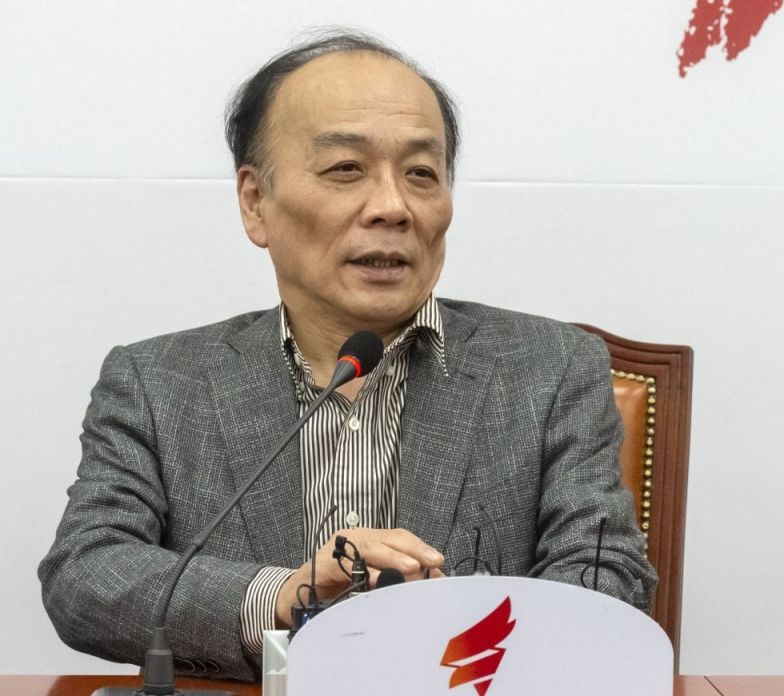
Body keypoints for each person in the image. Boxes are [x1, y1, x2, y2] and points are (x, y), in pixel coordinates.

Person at [38, 30, 656, 682]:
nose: (392, 207)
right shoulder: (159, 383)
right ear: (255, 202)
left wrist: (445, 646)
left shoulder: (551, 369)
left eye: (421, 173)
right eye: (345, 169)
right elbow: (85, 573)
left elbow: (608, 574)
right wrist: (285, 595)